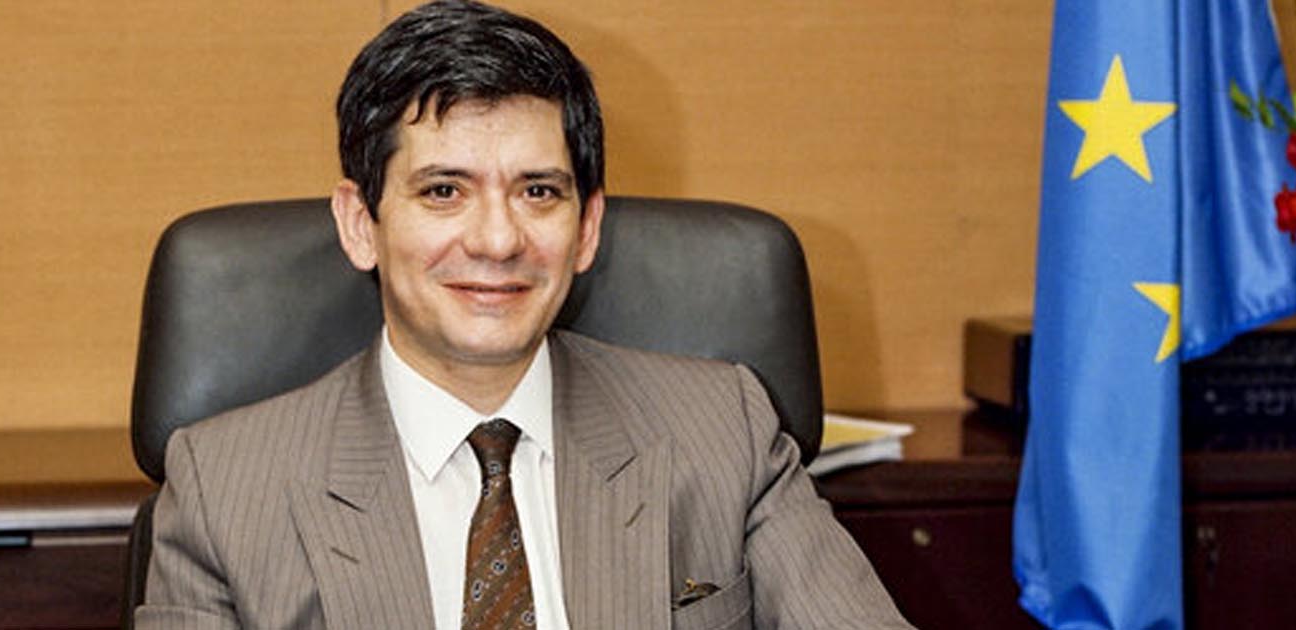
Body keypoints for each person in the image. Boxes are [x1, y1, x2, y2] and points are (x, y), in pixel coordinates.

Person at [136, 2, 913, 628]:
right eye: (444, 191)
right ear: (360, 223)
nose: (499, 240)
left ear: (588, 227)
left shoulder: (724, 432)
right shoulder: (223, 491)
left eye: (539, 191)